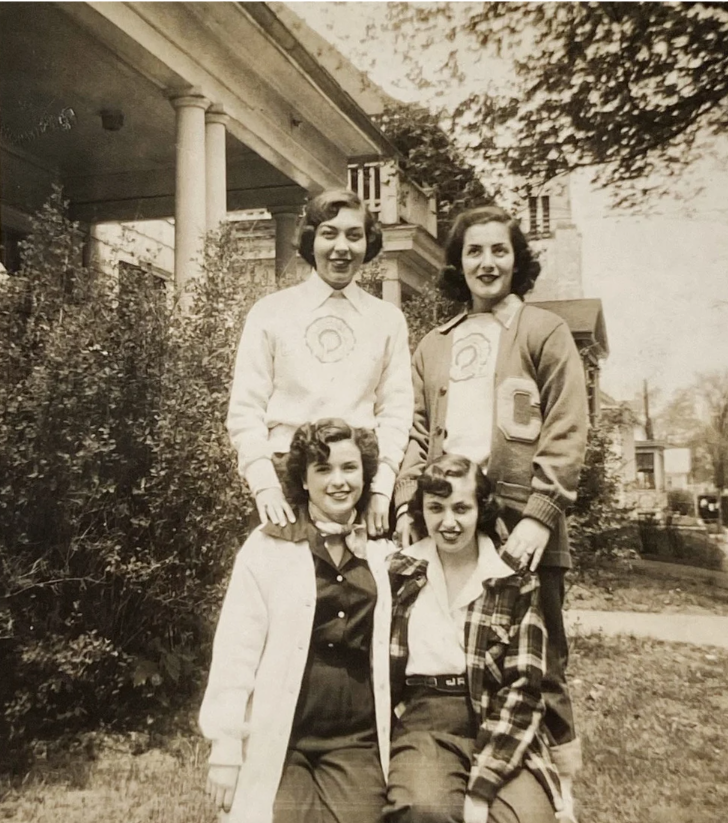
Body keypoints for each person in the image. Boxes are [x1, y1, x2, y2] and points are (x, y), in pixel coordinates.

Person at [393, 205, 588, 813]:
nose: (486, 262)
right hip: (453, 512)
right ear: (457, 264)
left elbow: (566, 424)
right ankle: (447, 752)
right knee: (462, 632)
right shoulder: (435, 343)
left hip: (522, 514)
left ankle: (555, 778)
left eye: (498, 250)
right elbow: (416, 431)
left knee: (540, 650)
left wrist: (539, 511)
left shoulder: (542, 330)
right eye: (474, 252)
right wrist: (406, 501)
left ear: (517, 259)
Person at [200, 418, 393, 823]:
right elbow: (237, 650)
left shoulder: (382, 550)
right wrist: (226, 745)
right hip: (285, 735)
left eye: (349, 468)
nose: (338, 481)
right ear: (304, 481)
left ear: (366, 474)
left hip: (355, 740)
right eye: (323, 469)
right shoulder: (269, 545)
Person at [387, 454, 567, 823]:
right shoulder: (397, 573)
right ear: (421, 510)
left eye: (461, 508)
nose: (448, 522)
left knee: (527, 818)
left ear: (481, 509)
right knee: (425, 811)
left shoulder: (512, 580)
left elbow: (523, 688)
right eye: (435, 508)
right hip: (425, 723)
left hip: (499, 719)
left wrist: (482, 789)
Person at [227, 189, 413, 537]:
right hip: (286, 481)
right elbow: (245, 410)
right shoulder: (271, 312)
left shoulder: (387, 319)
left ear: (367, 244)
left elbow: (397, 412)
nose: (342, 247)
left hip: (359, 484)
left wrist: (381, 488)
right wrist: (264, 484)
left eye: (354, 235)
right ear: (311, 240)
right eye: (329, 233)